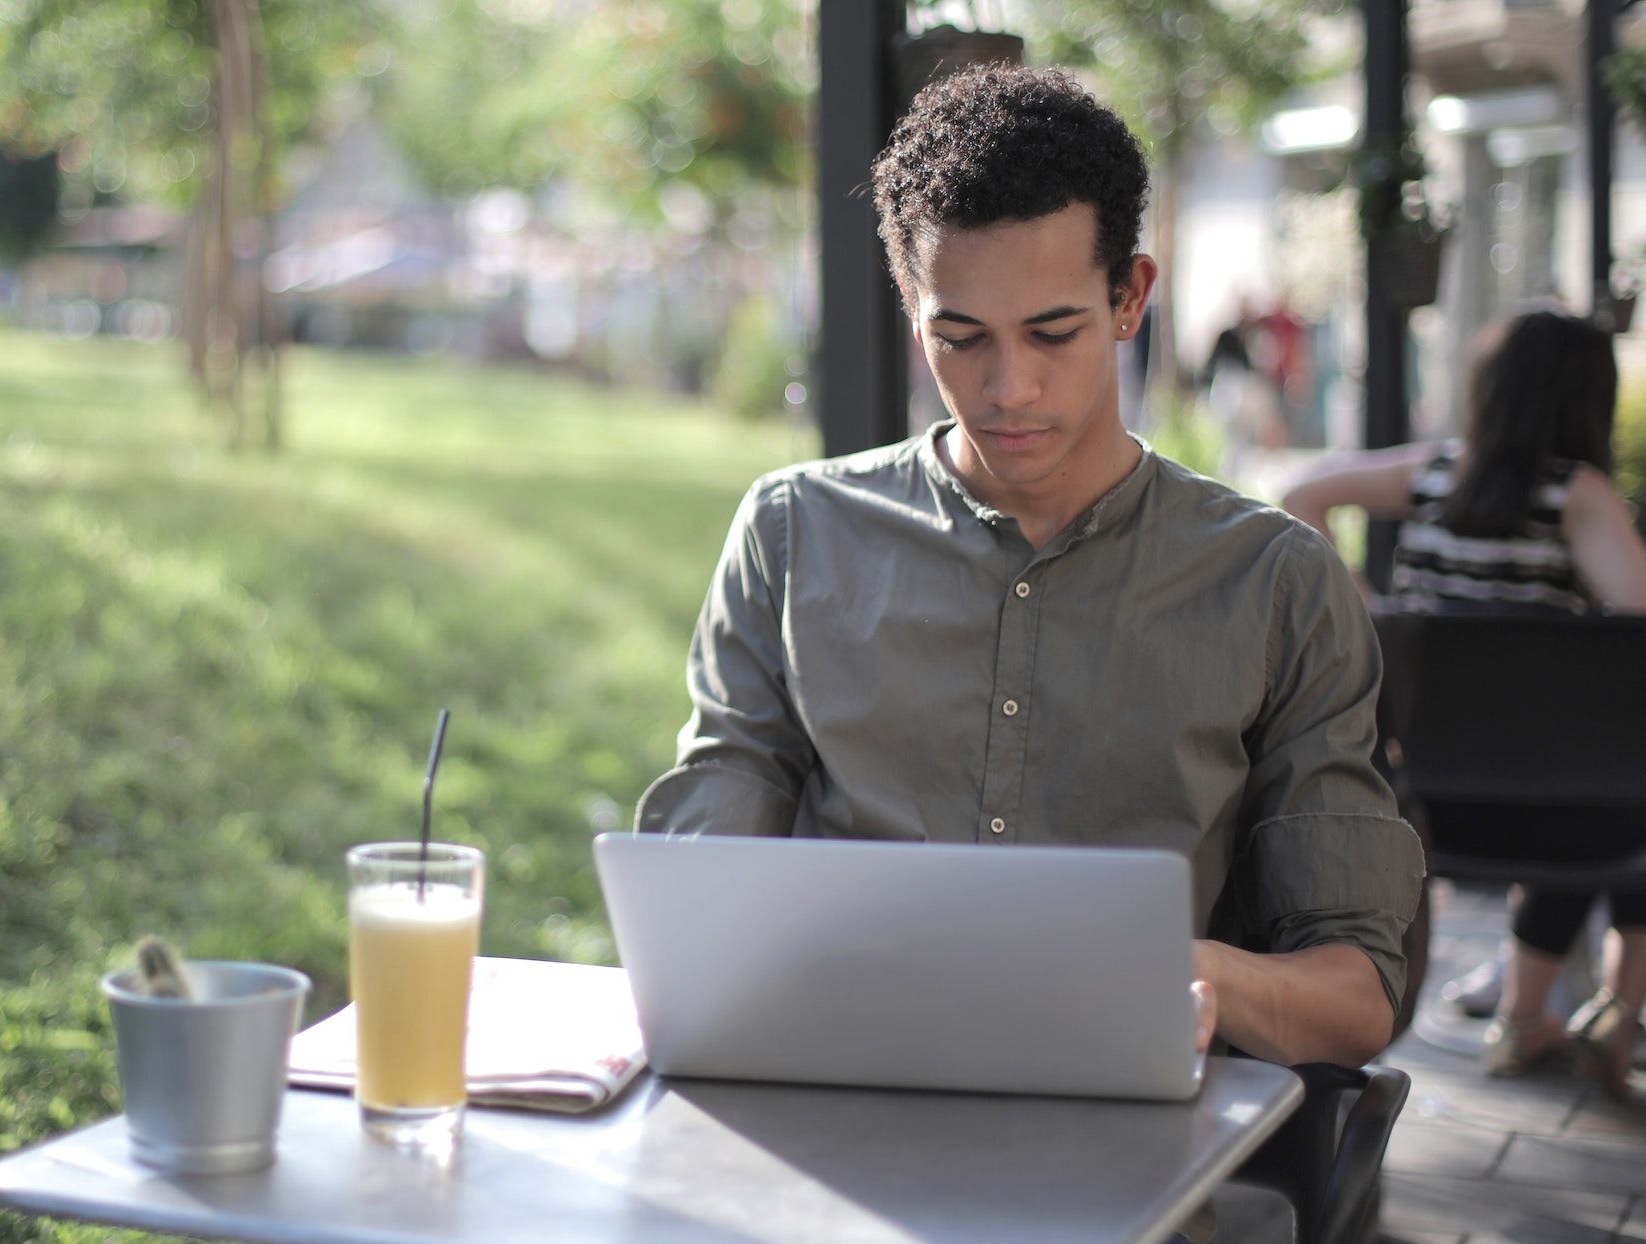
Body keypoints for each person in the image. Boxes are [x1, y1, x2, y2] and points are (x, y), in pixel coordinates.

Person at [637, 65, 1423, 1077]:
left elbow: (1357, 992)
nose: (1009, 389)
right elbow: (701, 897)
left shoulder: (1275, 584)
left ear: (1129, 296)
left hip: (1136, 1161)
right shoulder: (794, 536)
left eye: (1053, 333)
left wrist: (1186, 974)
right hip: (838, 1109)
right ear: (913, 307)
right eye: (959, 338)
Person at [1281, 309, 1646, 1094]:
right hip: (1559, 816)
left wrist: (1370, 610)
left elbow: (1301, 493)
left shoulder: (1433, 474)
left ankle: (1538, 1014)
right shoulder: (1578, 496)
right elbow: (1637, 615)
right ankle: (1593, 1016)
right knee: (1626, 791)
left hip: (1420, 799)